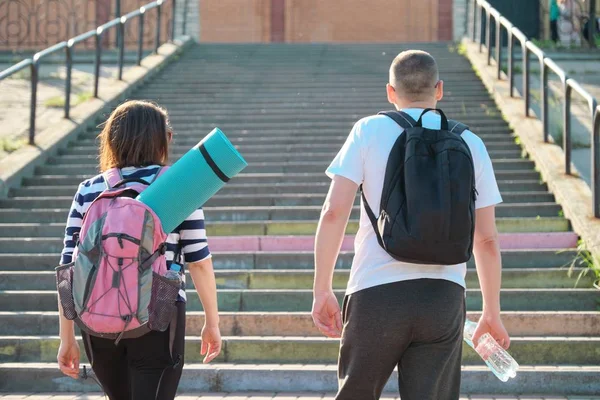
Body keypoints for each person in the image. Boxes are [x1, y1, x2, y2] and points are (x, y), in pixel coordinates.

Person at [312, 50, 511, 400]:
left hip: (376, 291)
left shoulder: (369, 130)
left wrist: (322, 289)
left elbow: (333, 213)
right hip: (444, 297)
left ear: (391, 92)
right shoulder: (470, 142)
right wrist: (491, 312)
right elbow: (487, 239)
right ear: (440, 89)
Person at [56, 100, 222, 400]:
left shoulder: (90, 190)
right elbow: (198, 260)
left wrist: (66, 337)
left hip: (95, 317)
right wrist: (213, 322)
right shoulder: (178, 186)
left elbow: (69, 266)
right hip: (158, 313)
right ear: (161, 139)